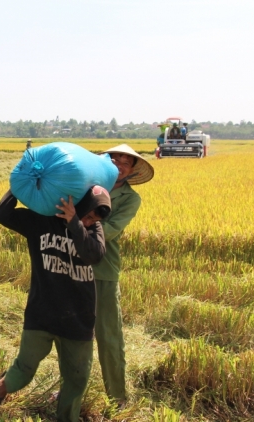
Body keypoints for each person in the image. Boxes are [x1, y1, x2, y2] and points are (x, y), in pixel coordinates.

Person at [0, 186, 112, 422]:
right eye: (87, 215)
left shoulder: (93, 230)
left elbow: (94, 254)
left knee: (76, 380)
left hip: (78, 318)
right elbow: (1, 214)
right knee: (24, 369)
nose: (88, 222)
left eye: (92, 219)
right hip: (42, 312)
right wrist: (19, 186)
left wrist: (76, 221)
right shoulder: (41, 221)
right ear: (78, 205)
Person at [93, 144, 154, 407]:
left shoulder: (130, 199)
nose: (118, 163)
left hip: (103, 270)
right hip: (70, 266)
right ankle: (70, 389)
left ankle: (116, 397)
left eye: (125, 162)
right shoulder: (88, 187)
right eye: (113, 158)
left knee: (108, 337)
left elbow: (109, 231)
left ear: (130, 172)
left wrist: (75, 223)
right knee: (70, 336)